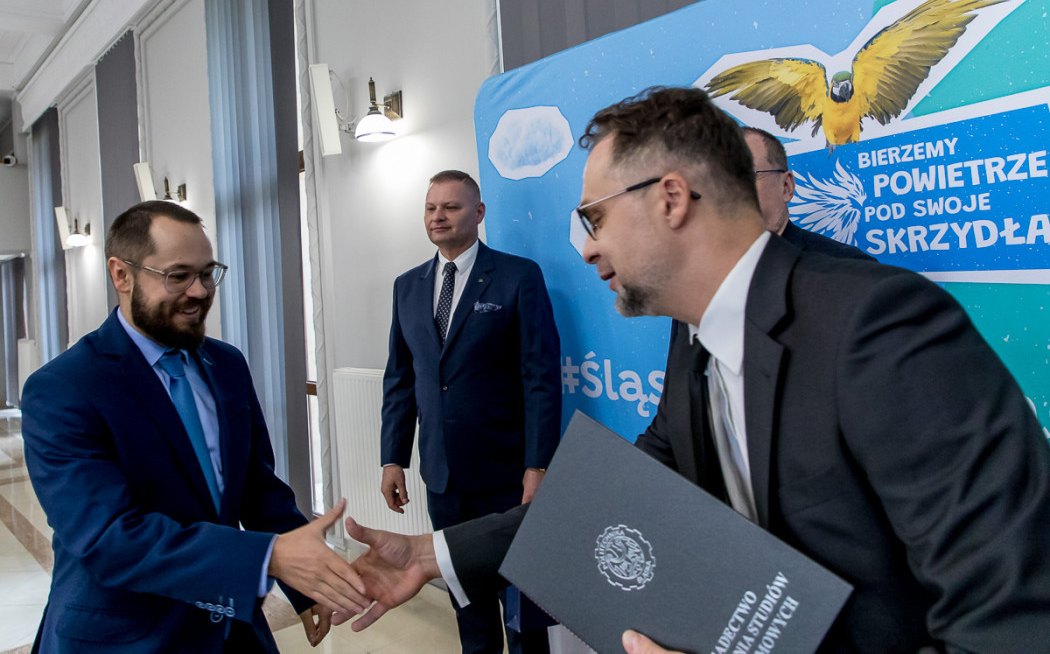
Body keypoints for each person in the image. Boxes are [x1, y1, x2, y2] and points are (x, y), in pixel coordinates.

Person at [342, 88, 1050, 654]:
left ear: (672, 199)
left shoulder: (879, 325)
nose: (587, 250)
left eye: (595, 219)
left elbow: (1013, 618)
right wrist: (433, 555)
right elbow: (615, 493)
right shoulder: (695, 340)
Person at [21, 201, 369, 653]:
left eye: (207, 273)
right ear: (121, 275)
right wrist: (268, 557)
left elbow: (257, 489)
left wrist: (306, 586)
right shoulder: (64, 388)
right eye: (178, 276)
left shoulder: (226, 364)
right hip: (126, 637)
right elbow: (109, 539)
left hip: (231, 628)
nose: (200, 291)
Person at [380, 170, 561, 653]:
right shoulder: (406, 286)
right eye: (430, 207)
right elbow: (401, 379)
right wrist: (392, 457)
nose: (437, 216)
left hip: (507, 475)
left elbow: (540, 378)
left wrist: (538, 465)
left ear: (478, 213)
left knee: (522, 611)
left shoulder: (518, 276)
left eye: (451, 207)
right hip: (443, 479)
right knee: (468, 605)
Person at [743, 126, 873, 260]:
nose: (733, 192)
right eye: (728, 182)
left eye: (745, 175)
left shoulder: (849, 265)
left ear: (786, 187)